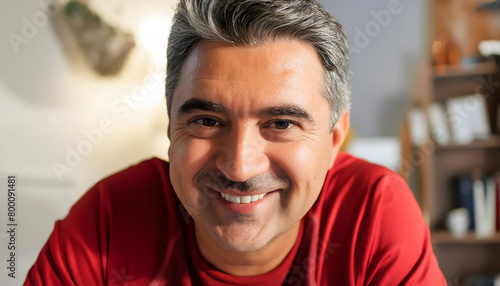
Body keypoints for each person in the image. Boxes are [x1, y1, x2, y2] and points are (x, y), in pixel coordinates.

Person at [25, 0, 447, 285]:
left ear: (335, 138)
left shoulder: (372, 214)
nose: (239, 167)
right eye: (208, 120)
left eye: (281, 123)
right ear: (172, 129)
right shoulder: (109, 219)